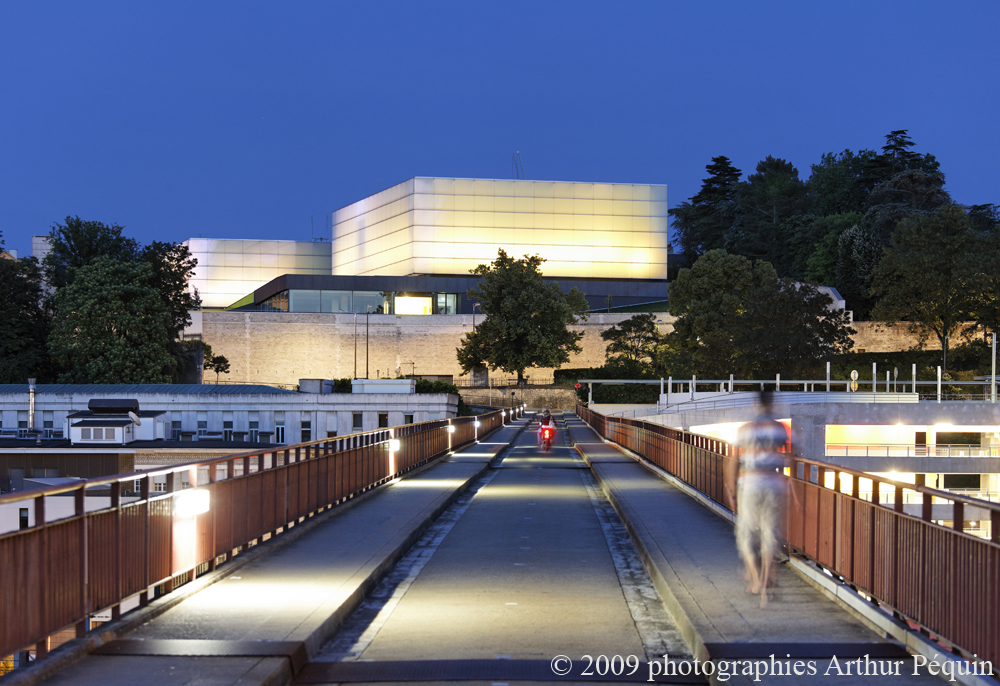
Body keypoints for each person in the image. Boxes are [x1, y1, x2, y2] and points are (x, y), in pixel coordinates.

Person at [725, 391, 789, 608]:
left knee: (746, 534)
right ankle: (767, 585)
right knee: (770, 532)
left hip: (750, 483)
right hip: (774, 483)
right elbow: (792, 457)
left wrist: (732, 490)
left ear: (755, 404)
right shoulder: (780, 428)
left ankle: (756, 581)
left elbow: (734, 460)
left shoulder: (745, 429)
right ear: (773, 403)